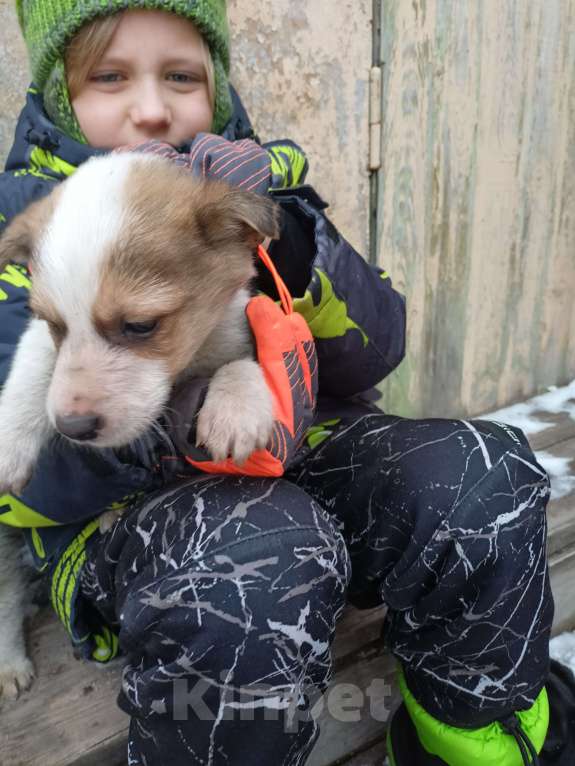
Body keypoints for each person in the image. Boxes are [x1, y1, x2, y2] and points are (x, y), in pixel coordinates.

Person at [0, 2, 573, 764]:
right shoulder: (32, 225)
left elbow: (376, 352)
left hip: (301, 459)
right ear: (58, 95)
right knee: (254, 553)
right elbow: (37, 458)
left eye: (180, 75)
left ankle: (473, 741)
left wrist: (293, 245)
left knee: (479, 473)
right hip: (126, 530)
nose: (148, 107)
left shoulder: (246, 195)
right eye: (108, 77)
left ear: (219, 86)